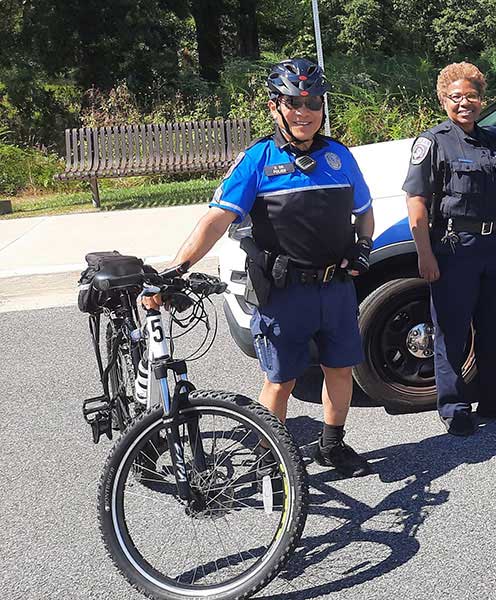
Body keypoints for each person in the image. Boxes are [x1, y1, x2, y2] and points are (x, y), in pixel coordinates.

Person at [147, 58, 376, 475]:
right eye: (293, 102)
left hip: (337, 288)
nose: (304, 112)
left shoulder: (340, 156)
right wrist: (177, 268)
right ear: (275, 107)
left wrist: (364, 246)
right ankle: (271, 458)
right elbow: (215, 220)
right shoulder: (257, 159)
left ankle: (332, 444)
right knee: (281, 381)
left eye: (312, 102)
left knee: (340, 370)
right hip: (285, 293)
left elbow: (365, 211)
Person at [403, 62, 496, 436]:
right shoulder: (432, 143)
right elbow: (417, 202)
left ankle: (493, 399)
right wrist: (424, 254)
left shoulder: (495, 139)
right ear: (443, 100)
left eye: (471, 96)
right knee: (452, 332)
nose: (464, 103)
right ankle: (455, 407)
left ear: (481, 99)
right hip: (454, 248)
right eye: (456, 97)